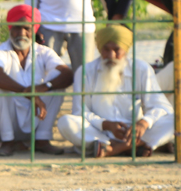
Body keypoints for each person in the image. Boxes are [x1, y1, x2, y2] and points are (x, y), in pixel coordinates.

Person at [58, 25, 176, 157]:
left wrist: (143, 123)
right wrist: (106, 125)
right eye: (106, 49)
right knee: (65, 122)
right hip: (99, 131)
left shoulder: (141, 69)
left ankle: (114, 148)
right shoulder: (85, 72)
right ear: (99, 48)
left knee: (176, 119)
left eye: (116, 50)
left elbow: (161, 107)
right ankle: (134, 146)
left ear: (126, 50)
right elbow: (80, 111)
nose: (111, 55)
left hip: (135, 132)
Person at [0, 5, 72, 156]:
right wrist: (28, 93)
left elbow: (67, 74)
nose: (21, 33)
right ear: (10, 28)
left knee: (57, 79)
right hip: (3, 125)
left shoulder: (44, 52)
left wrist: (42, 88)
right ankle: (8, 141)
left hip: (36, 118)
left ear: (34, 30)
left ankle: (42, 140)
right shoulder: (0, 51)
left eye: (27, 28)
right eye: (17, 28)